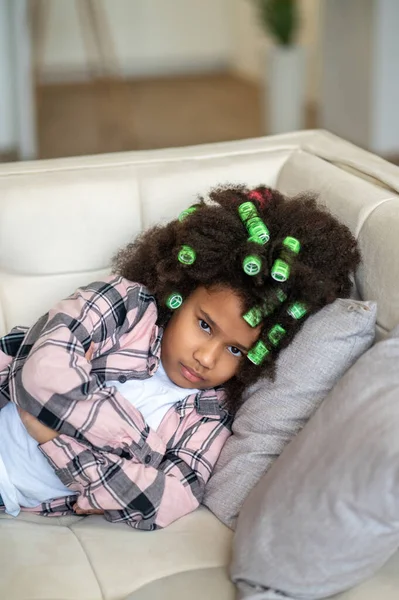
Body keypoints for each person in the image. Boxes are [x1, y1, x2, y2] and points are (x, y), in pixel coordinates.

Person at [0, 185, 360, 530]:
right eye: (204, 325)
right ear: (181, 292)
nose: (206, 357)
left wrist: (52, 437)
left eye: (236, 350)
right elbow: (42, 376)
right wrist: (141, 454)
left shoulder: (209, 417)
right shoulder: (124, 306)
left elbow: (170, 499)